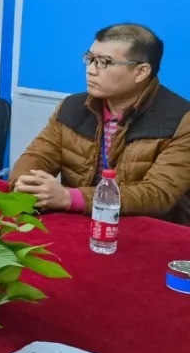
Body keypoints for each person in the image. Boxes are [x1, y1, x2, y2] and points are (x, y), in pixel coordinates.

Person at [10, 23, 190, 223]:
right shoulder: (72, 107)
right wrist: (25, 185)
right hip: (79, 221)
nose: (91, 70)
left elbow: (157, 194)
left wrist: (70, 198)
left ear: (141, 72)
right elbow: (36, 157)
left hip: (148, 229)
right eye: (90, 59)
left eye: (104, 62)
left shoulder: (182, 119)